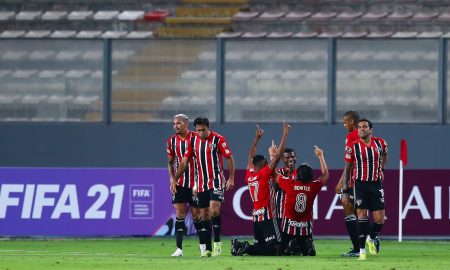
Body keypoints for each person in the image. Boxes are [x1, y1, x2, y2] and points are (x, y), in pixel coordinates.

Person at [175, 117, 235, 257]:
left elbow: (229, 158)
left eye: (203, 130)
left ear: (209, 128)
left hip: (216, 181)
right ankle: (208, 249)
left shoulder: (218, 140)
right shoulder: (193, 141)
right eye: (198, 130)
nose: (201, 133)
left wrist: (231, 177)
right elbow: (184, 162)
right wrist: (175, 179)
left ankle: (217, 241)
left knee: (214, 210)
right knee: (204, 215)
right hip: (201, 184)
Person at [231, 122, 290, 256]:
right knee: (277, 249)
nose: (268, 163)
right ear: (263, 163)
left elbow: (250, 156)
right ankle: (246, 247)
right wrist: (284, 135)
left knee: (260, 247)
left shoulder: (249, 174)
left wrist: (257, 139)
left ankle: (242, 247)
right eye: (266, 161)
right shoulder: (264, 174)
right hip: (267, 214)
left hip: (256, 216)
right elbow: (279, 156)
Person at [343, 119, 388, 261]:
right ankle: (362, 251)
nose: (361, 129)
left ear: (370, 130)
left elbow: (385, 155)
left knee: (380, 220)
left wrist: (382, 168)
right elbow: (348, 167)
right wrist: (345, 187)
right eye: (359, 127)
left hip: (376, 184)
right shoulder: (353, 146)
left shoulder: (381, 143)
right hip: (360, 184)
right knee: (362, 215)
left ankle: (371, 238)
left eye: (364, 127)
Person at [274, 145, 329, 256]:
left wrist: (274, 155)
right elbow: (325, 175)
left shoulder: (290, 184)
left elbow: (273, 173)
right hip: (305, 225)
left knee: (282, 249)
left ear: (297, 175)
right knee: (304, 242)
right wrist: (321, 156)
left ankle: (291, 244)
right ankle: (306, 244)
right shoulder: (314, 185)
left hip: (288, 224)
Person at [166, 114, 201, 257]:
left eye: (179, 123)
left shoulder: (196, 138)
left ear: (186, 124)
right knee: (179, 215)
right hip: (179, 184)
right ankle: (179, 249)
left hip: (195, 183)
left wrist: (199, 182)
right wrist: (171, 179)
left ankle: (203, 246)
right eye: (174, 123)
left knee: (197, 215)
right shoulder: (171, 141)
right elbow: (170, 162)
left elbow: (198, 161)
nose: (176, 125)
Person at [334, 110, 360, 257]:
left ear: (352, 122)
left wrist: (341, 183)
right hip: (363, 179)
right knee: (357, 211)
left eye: (345, 122)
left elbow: (348, 163)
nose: (344, 125)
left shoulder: (351, 136)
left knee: (349, 207)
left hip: (354, 179)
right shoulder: (367, 135)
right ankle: (370, 237)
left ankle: (360, 246)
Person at [268, 145, 297, 231]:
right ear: (282, 159)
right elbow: (274, 186)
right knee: (280, 242)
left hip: (295, 213)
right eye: (287, 157)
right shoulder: (279, 172)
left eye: (292, 156)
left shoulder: (301, 173)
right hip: (280, 214)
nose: (291, 159)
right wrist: (272, 156)